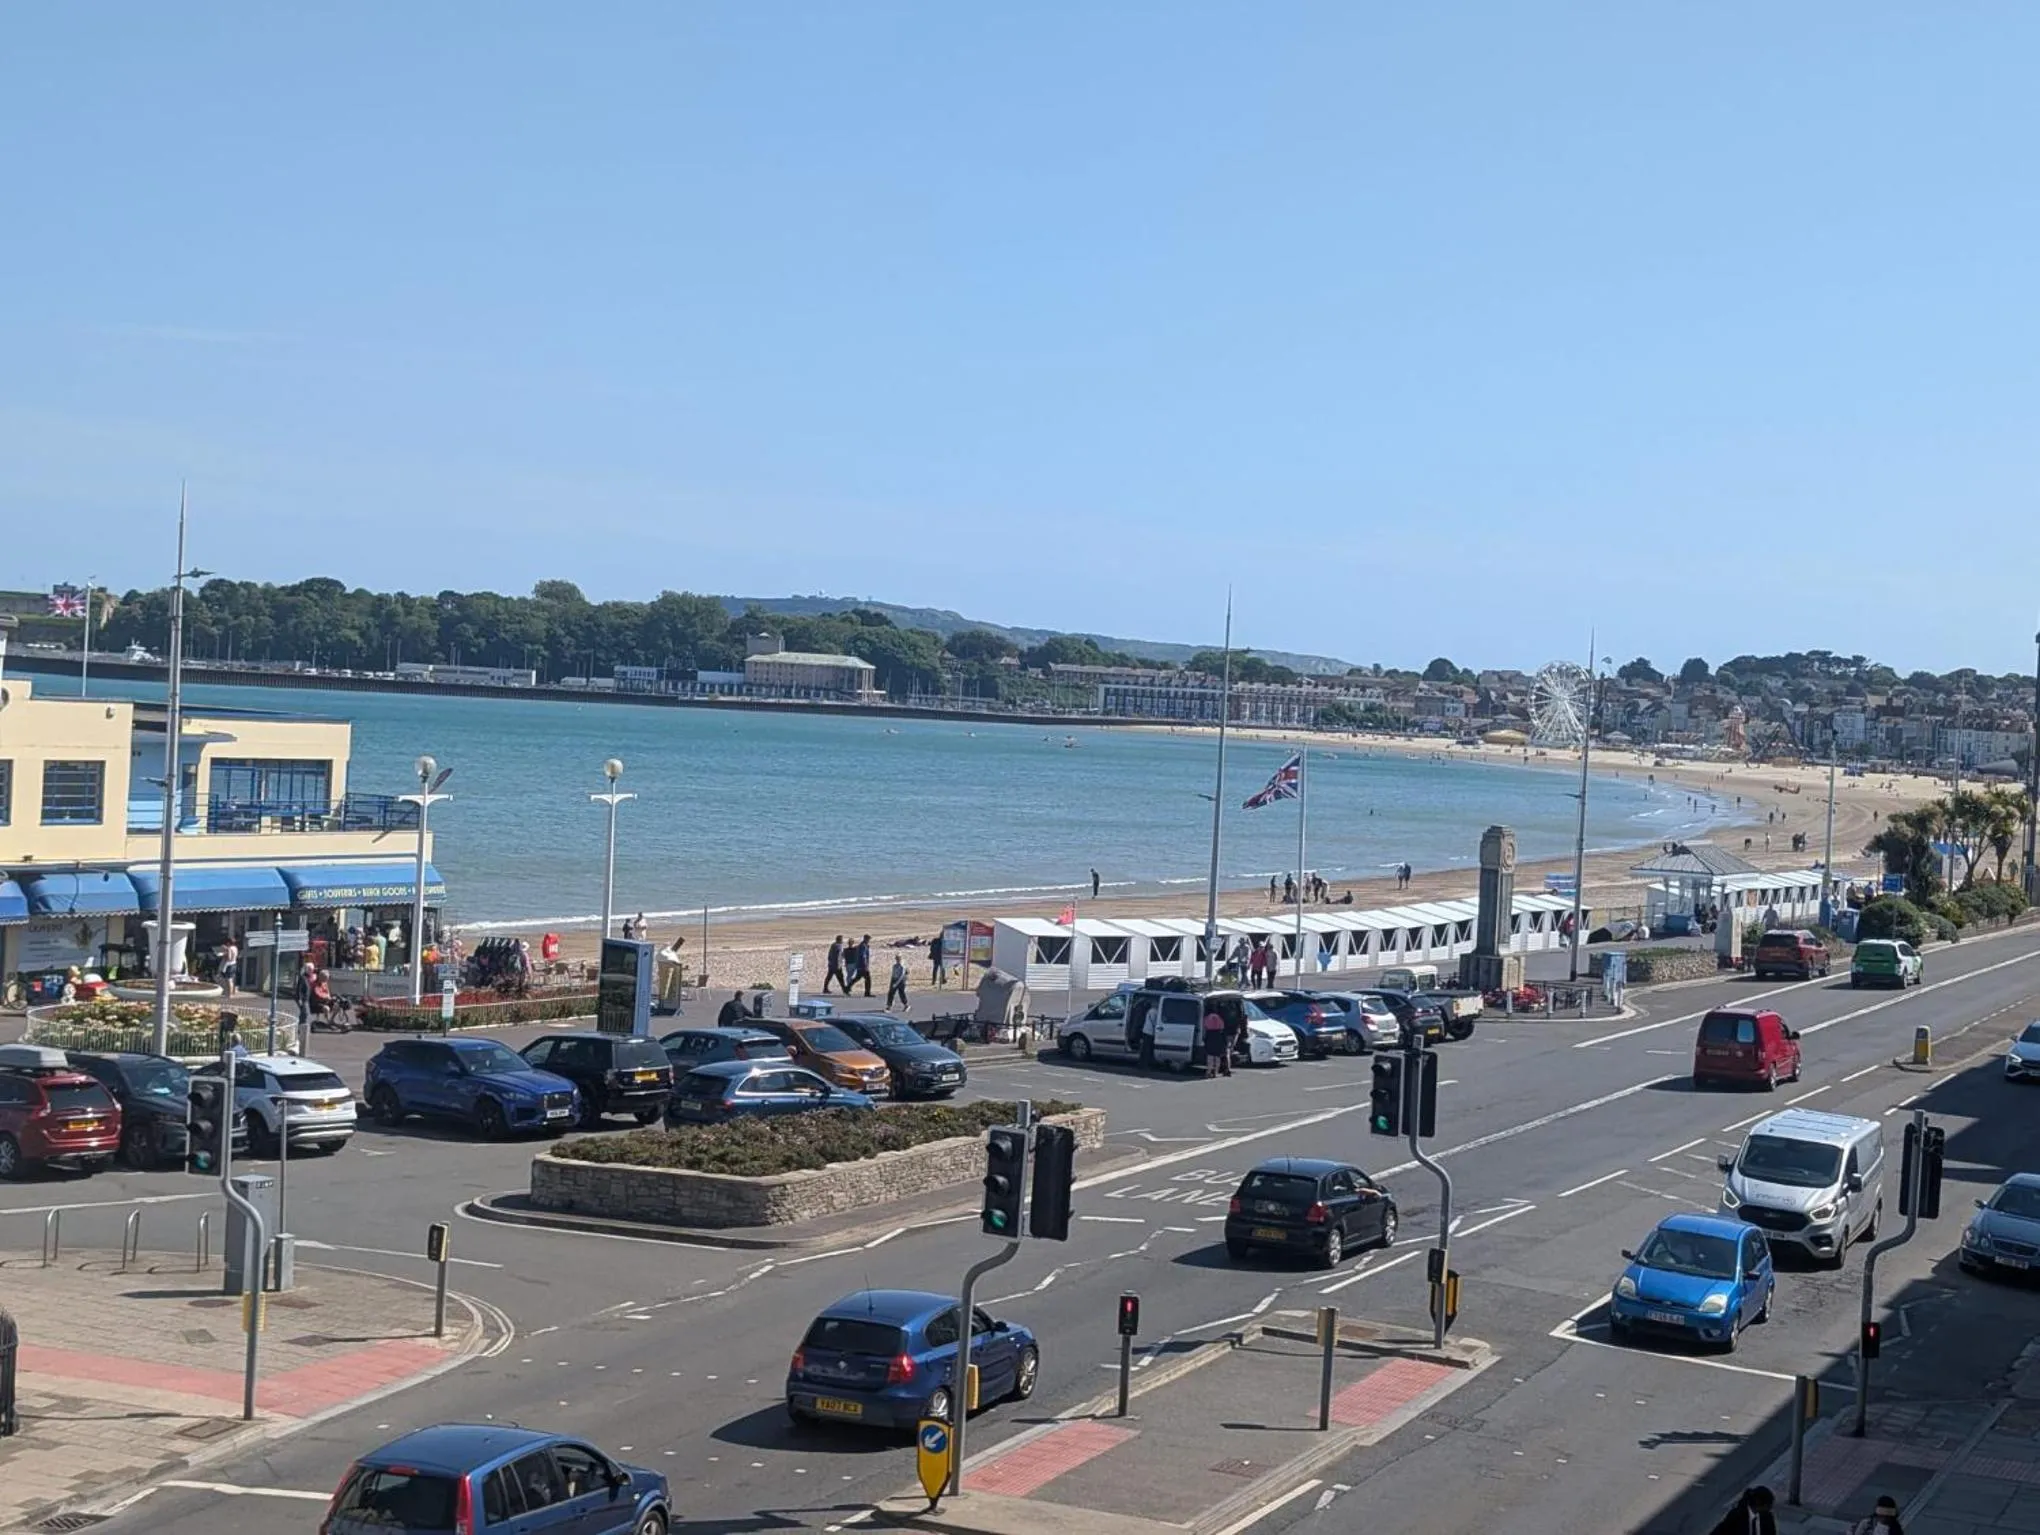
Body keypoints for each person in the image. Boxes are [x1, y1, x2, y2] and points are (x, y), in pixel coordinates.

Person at [1709, 1485, 1778, 1535]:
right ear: (1759, 1503)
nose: (1770, 1509)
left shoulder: (1768, 1518)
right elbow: (1721, 1531)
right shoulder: (1737, 1516)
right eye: (1768, 1506)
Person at [1202, 1002, 1231, 1078]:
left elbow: (1204, 1028)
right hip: (1218, 1037)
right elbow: (1222, 1028)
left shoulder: (1207, 1018)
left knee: (1210, 1056)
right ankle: (1215, 1072)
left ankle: (1208, 1072)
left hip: (1210, 1036)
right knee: (1217, 1057)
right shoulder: (1219, 1018)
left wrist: (1204, 1039)